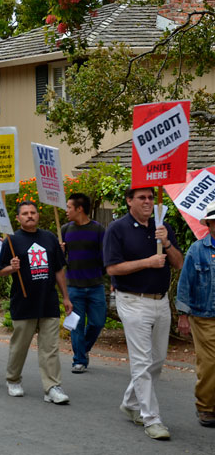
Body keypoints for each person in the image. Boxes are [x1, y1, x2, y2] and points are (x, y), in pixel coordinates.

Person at [104, 187, 183, 440]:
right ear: (129, 201)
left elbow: (179, 262)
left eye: (151, 197)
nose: (148, 202)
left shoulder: (163, 226)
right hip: (133, 301)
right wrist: (147, 262)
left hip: (161, 301)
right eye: (142, 198)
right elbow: (113, 268)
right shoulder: (117, 228)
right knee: (142, 361)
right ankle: (151, 418)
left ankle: (130, 402)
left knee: (157, 360)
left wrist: (167, 242)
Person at [0, 200, 73, 405]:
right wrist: (11, 268)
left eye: (33, 212)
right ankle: (13, 380)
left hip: (48, 300)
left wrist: (65, 297)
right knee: (19, 346)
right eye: (25, 213)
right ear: (18, 218)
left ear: (37, 215)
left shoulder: (49, 238)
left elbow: (58, 269)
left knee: (50, 347)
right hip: (23, 302)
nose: (30, 216)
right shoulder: (11, 241)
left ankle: (52, 387)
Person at [176, 202, 215, 428]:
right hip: (204, 317)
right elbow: (185, 284)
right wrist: (183, 315)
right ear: (209, 224)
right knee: (209, 363)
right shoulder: (197, 250)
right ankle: (206, 407)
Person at [61, 192, 107, 374]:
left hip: (95, 285)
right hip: (73, 286)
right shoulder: (64, 230)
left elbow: (105, 256)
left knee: (97, 322)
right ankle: (78, 360)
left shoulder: (98, 230)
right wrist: (60, 251)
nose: (66, 211)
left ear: (79, 209)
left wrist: (104, 276)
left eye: (69, 207)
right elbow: (60, 261)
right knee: (76, 326)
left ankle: (84, 349)